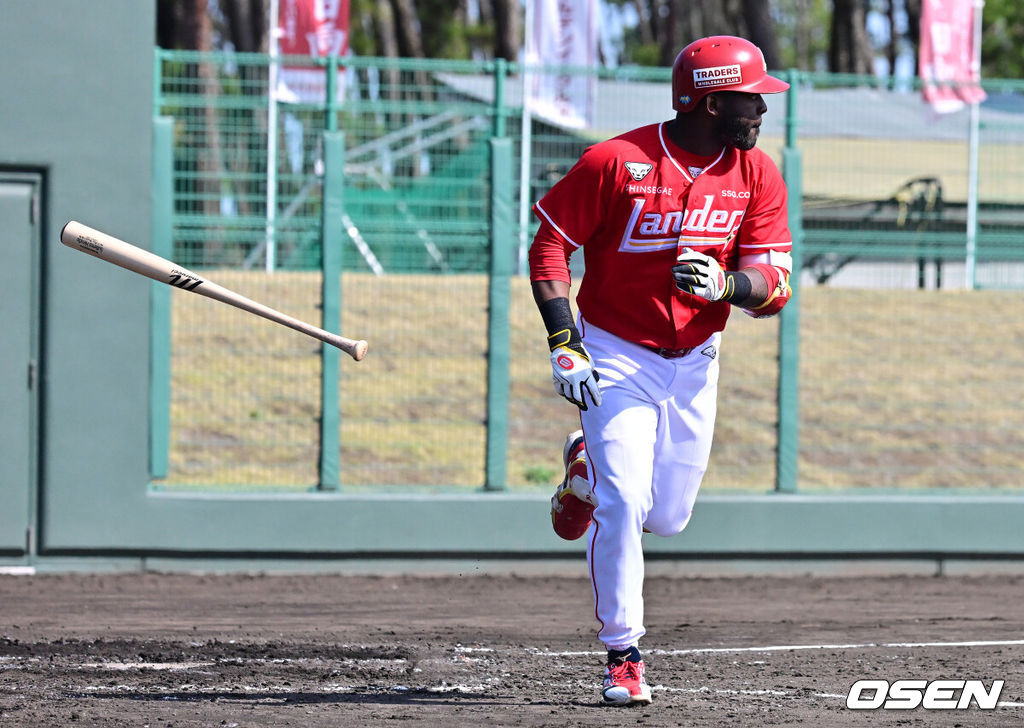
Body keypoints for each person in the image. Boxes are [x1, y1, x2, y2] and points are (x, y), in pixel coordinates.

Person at [528, 35, 794, 706]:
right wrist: (565, 341)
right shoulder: (617, 161)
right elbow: (550, 248)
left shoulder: (757, 172)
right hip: (615, 353)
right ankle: (624, 654)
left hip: (696, 362)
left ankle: (583, 473)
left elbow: (777, 285)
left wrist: (728, 285)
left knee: (667, 517)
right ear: (709, 100)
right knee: (625, 505)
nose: (761, 110)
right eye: (750, 98)